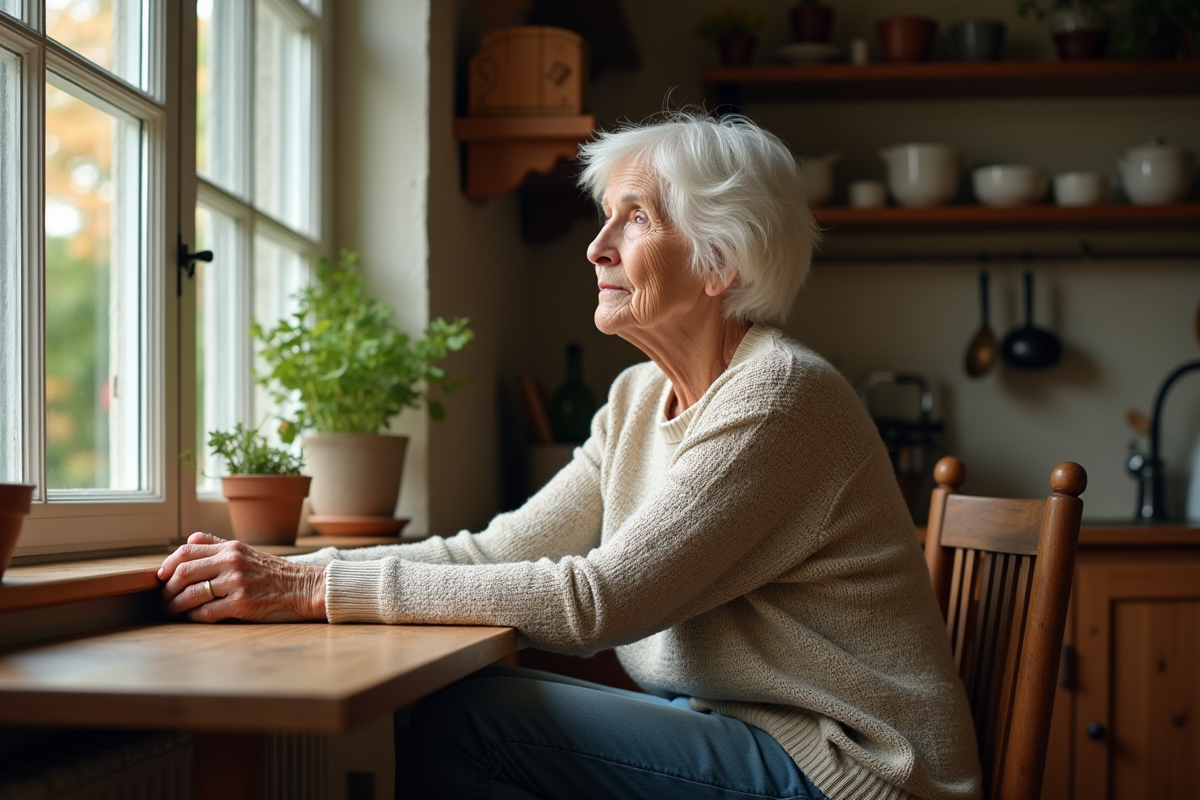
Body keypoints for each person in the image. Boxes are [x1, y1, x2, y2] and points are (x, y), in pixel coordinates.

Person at [158, 112, 983, 800]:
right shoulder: (635, 400)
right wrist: (296, 571)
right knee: (463, 701)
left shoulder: (777, 398)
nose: (597, 248)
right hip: (755, 734)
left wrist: (311, 586)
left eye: (637, 217)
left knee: (468, 722)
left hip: (853, 773)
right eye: (605, 218)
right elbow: (504, 548)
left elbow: (598, 602)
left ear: (720, 263)